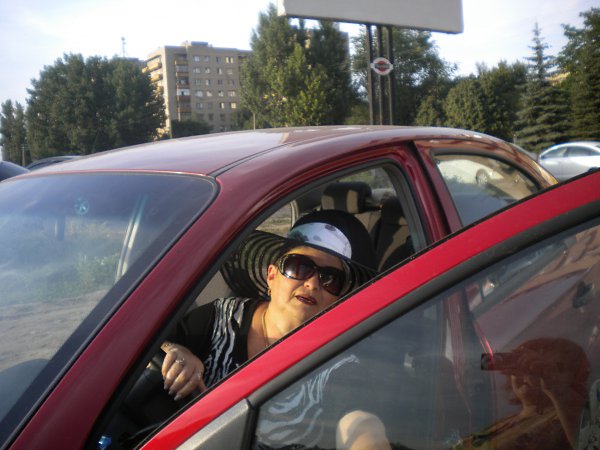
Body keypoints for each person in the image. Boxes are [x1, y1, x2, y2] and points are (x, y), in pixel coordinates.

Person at [161, 210, 390, 449]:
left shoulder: (337, 361)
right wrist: (177, 350)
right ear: (272, 275)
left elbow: (359, 423)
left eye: (330, 278)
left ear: (337, 297)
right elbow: (151, 344)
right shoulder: (222, 318)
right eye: (299, 267)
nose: (312, 283)